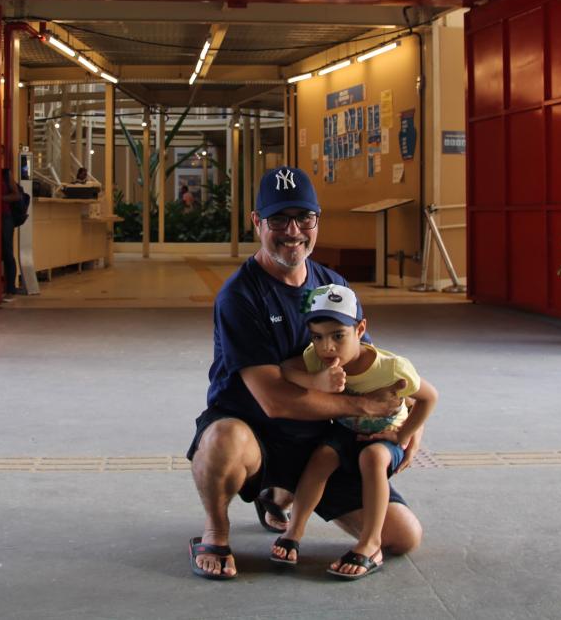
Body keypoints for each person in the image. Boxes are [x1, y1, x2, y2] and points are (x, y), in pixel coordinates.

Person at [186, 165, 423, 580]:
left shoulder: (332, 283)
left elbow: (369, 364)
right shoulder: (240, 296)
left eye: (303, 218)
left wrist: (407, 424)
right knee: (223, 440)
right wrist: (362, 407)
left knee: (402, 537)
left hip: (319, 440)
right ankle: (215, 532)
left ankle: (281, 493)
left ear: (317, 221)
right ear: (257, 222)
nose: (292, 231)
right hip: (253, 431)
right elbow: (274, 400)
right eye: (278, 219)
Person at [268, 283, 438, 579]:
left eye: (338, 336)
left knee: (372, 458)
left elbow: (429, 397)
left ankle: (370, 544)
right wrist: (315, 381)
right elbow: (285, 370)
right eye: (317, 337)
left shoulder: (391, 368)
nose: (327, 347)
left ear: (360, 330)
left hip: (383, 436)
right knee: (321, 457)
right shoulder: (316, 359)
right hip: (346, 430)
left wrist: (403, 435)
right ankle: (293, 532)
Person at [0, 167, 25, 303]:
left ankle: (10, 287)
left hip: (5, 217)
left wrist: (0, 199)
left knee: (7, 251)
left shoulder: (5, 174)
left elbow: (16, 195)